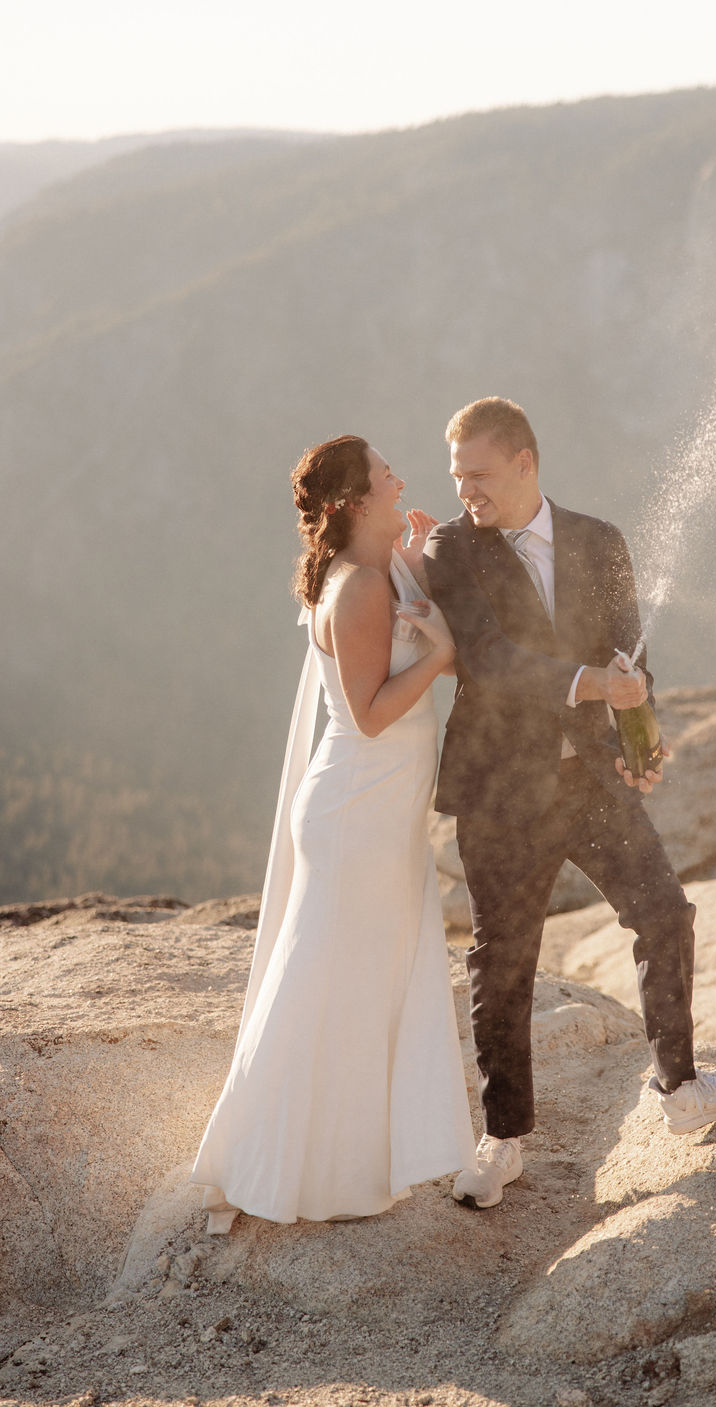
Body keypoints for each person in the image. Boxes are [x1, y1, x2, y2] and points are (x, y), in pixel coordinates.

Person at [423, 398, 716, 1210]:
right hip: (500, 793)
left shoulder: (599, 539)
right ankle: (502, 1139)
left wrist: (635, 746)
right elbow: (490, 658)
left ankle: (682, 1089)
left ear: (523, 461)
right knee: (501, 961)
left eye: (477, 473)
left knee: (664, 910)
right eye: (455, 476)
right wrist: (595, 683)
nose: (465, 489)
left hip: (587, 780)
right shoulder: (451, 547)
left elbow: (632, 656)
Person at [191, 435, 475, 1230]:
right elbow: (372, 714)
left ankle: (340, 1164)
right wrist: (443, 646)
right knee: (328, 988)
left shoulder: (383, 570)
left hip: (379, 815)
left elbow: (425, 661)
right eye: (388, 477)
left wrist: (418, 559)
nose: (402, 481)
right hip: (356, 813)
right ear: (354, 501)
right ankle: (280, 1161)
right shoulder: (355, 590)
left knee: (361, 987)